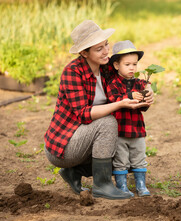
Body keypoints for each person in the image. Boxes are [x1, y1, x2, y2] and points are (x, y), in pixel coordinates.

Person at [44, 20, 154, 200]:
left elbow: (132, 79)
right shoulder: (73, 72)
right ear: (84, 53)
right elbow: (83, 114)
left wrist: (149, 90)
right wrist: (119, 104)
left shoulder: (107, 68)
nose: (106, 52)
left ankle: (74, 173)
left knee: (123, 154)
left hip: (89, 137)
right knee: (109, 122)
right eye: (98, 49)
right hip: (65, 144)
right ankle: (102, 185)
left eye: (106, 45)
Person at [106, 40, 151, 197]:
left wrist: (148, 95)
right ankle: (122, 186)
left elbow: (144, 106)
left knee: (139, 158)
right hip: (119, 130)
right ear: (117, 65)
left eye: (134, 64)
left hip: (137, 129)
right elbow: (113, 99)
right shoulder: (113, 83)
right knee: (121, 160)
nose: (132, 68)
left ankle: (141, 185)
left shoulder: (140, 83)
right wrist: (129, 96)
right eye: (127, 64)